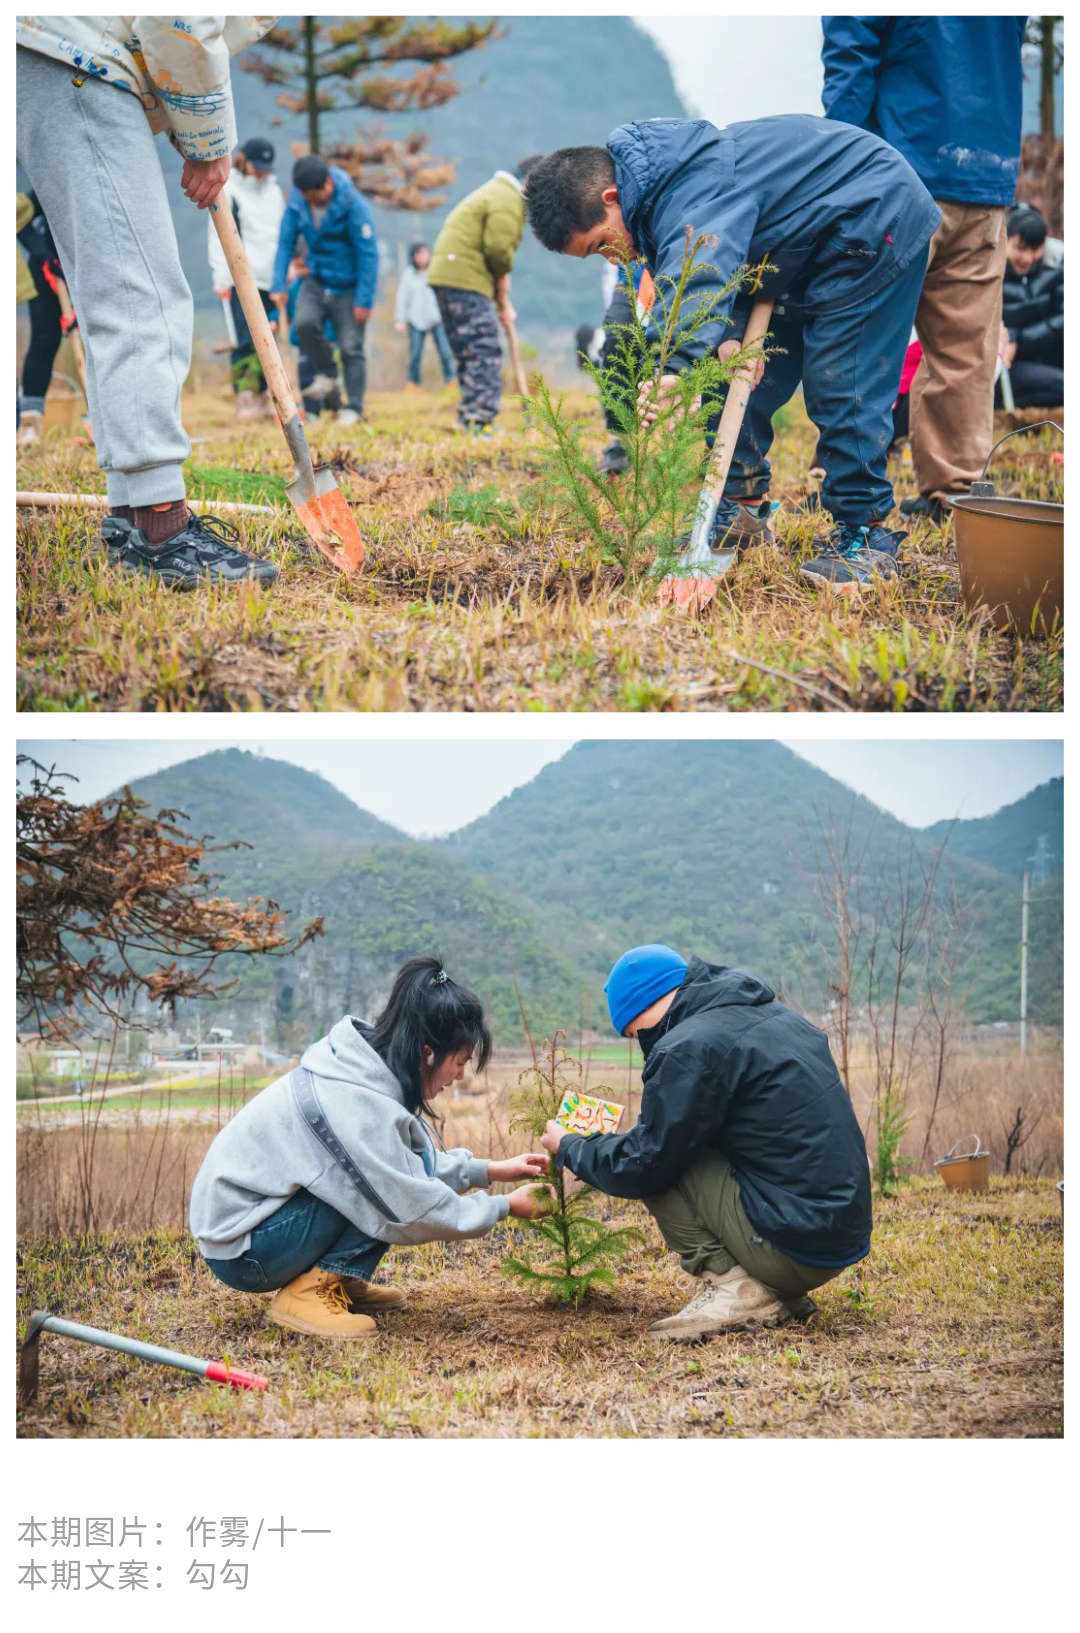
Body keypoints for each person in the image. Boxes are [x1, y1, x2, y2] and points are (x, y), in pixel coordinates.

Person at [525, 119, 940, 591]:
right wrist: (729, 334)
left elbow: (700, 272)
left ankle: (865, 535)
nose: (613, 259)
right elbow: (727, 259)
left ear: (611, 198)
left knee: (841, 379)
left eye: (601, 244)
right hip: (796, 246)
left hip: (873, 216)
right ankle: (741, 510)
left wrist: (673, 367)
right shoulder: (656, 202)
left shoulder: (686, 188)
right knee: (730, 371)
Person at [15, 15, 279, 589]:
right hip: (79, 62)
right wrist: (208, 141)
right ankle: (163, 532)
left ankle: (131, 520)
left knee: (113, 299)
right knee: (142, 297)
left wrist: (187, 122)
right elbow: (179, 18)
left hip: (53, 56)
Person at [190, 957, 549, 1340]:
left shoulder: (365, 1072)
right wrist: (505, 1206)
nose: (460, 1075)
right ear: (428, 1052)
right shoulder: (356, 1104)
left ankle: (338, 1277)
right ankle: (306, 1295)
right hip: (244, 1251)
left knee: (375, 1182)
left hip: (263, 1221)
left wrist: (489, 1170)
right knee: (378, 1193)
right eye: (459, 1062)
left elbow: (408, 1165)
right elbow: (410, 1202)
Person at [539, 947, 872, 1340]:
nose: (637, 1042)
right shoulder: (772, 1016)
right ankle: (777, 1291)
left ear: (639, 1010)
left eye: (631, 1034)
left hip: (795, 1245)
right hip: (835, 1235)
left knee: (662, 1165)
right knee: (674, 1144)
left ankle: (736, 1288)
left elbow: (645, 1163)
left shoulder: (688, 1046)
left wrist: (572, 1147)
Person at [822, 15, 1027, 527]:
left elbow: (851, 47)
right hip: (987, 165)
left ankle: (848, 487)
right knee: (966, 347)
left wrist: (841, 159)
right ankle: (956, 489)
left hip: (901, 164)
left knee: (861, 335)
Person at [427, 157, 542, 437]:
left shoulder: (495, 191)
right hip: (464, 278)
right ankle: (479, 421)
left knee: (469, 351)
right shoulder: (508, 198)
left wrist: (502, 298)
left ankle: (469, 417)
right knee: (484, 349)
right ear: (531, 181)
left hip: (447, 276)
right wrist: (502, 294)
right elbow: (498, 250)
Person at [271, 155, 378, 427]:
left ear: (328, 183)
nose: (310, 199)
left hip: (348, 285)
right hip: (316, 278)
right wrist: (278, 284)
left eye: (315, 195)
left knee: (351, 347)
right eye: (306, 195)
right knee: (304, 324)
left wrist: (364, 300)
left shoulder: (353, 205)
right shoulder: (298, 201)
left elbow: (368, 254)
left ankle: (354, 407)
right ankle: (328, 375)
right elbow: (285, 241)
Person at [207, 136, 285, 421]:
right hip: (240, 278)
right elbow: (218, 235)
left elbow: (281, 235)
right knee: (243, 339)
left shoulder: (274, 192)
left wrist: (283, 274)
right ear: (245, 161)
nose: (261, 173)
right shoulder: (229, 190)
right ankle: (245, 396)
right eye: (257, 166)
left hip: (270, 278)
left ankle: (266, 395)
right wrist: (221, 276)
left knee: (268, 339)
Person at [997, 205, 1064, 410]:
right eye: (1020, 248)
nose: (1027, 258)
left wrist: (1020, 339)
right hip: (1009, 364)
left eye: (1035, 250)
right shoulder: (990, 273)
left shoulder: (1058, 267)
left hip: (1048, 357)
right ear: (1005, 239)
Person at [16, 192, 64, 445]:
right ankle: (29, 423)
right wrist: (45, 255)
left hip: (92, 265)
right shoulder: (50, 184)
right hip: (47, 267)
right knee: (45, 339)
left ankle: (106, 416)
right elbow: (17, 215)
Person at [394, 241, 453, 388]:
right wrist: (400, 319)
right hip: (415, 319)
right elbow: (402, 297)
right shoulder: (408, 274)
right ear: (413, 256)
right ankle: (413, 383)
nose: (423, 257)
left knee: (445, 352)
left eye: (426, 253)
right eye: (419, 254)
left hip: (436, 318)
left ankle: (450, 380)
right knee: (414, 354)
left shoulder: (436, 271)